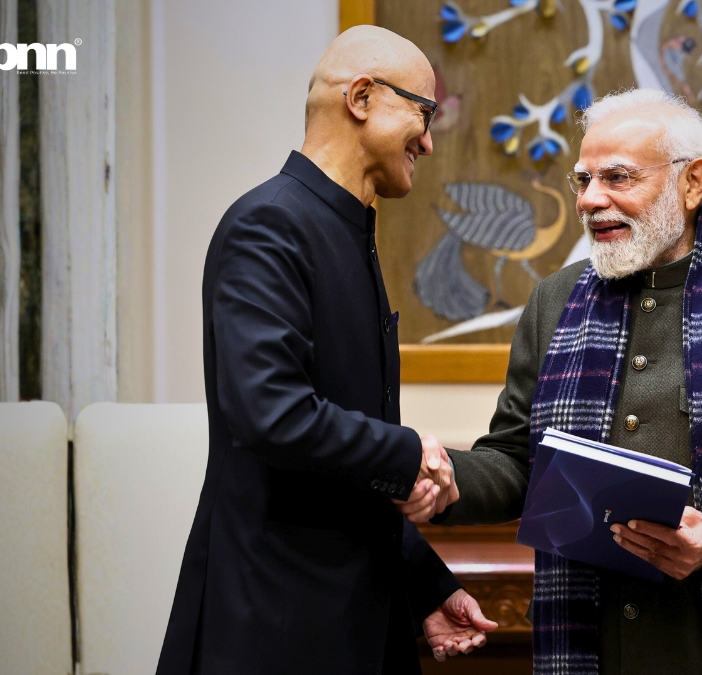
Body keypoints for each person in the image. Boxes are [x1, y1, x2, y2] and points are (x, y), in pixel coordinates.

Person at [432, 89, 702, 674]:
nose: (591, 200)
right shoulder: (554, 301)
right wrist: (441, 478)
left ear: (693, 183)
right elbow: (518, 462)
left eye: (617, 177)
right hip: (591, 642)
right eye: (583, 180)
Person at [156, 26, 495, 675]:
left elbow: (343, 466)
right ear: (361, 98)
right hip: (276, 625)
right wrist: (411, 454)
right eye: (423, 114)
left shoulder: (346, 229)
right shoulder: (270, 224)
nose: (428, 141)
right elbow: (271, 413)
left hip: (349, 619)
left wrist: (425, 583)